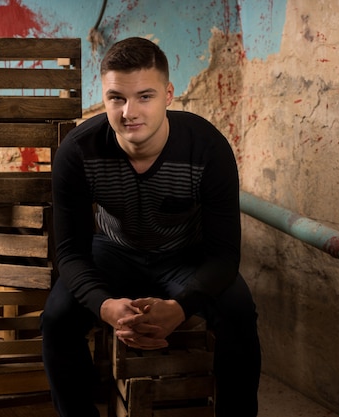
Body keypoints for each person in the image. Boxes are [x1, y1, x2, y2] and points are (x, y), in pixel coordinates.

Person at [41, 36, 261, 417]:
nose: (129, 112)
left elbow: (225, 255)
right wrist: (105, 306)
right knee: (57, 317)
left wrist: (181, 307)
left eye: (145, 96)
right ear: (104, 96)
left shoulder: (207, 148)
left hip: (184, 256)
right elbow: (71, 254)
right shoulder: (78, 151)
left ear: (169, 94)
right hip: (112, 251)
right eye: (116, 98)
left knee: (239, 310)